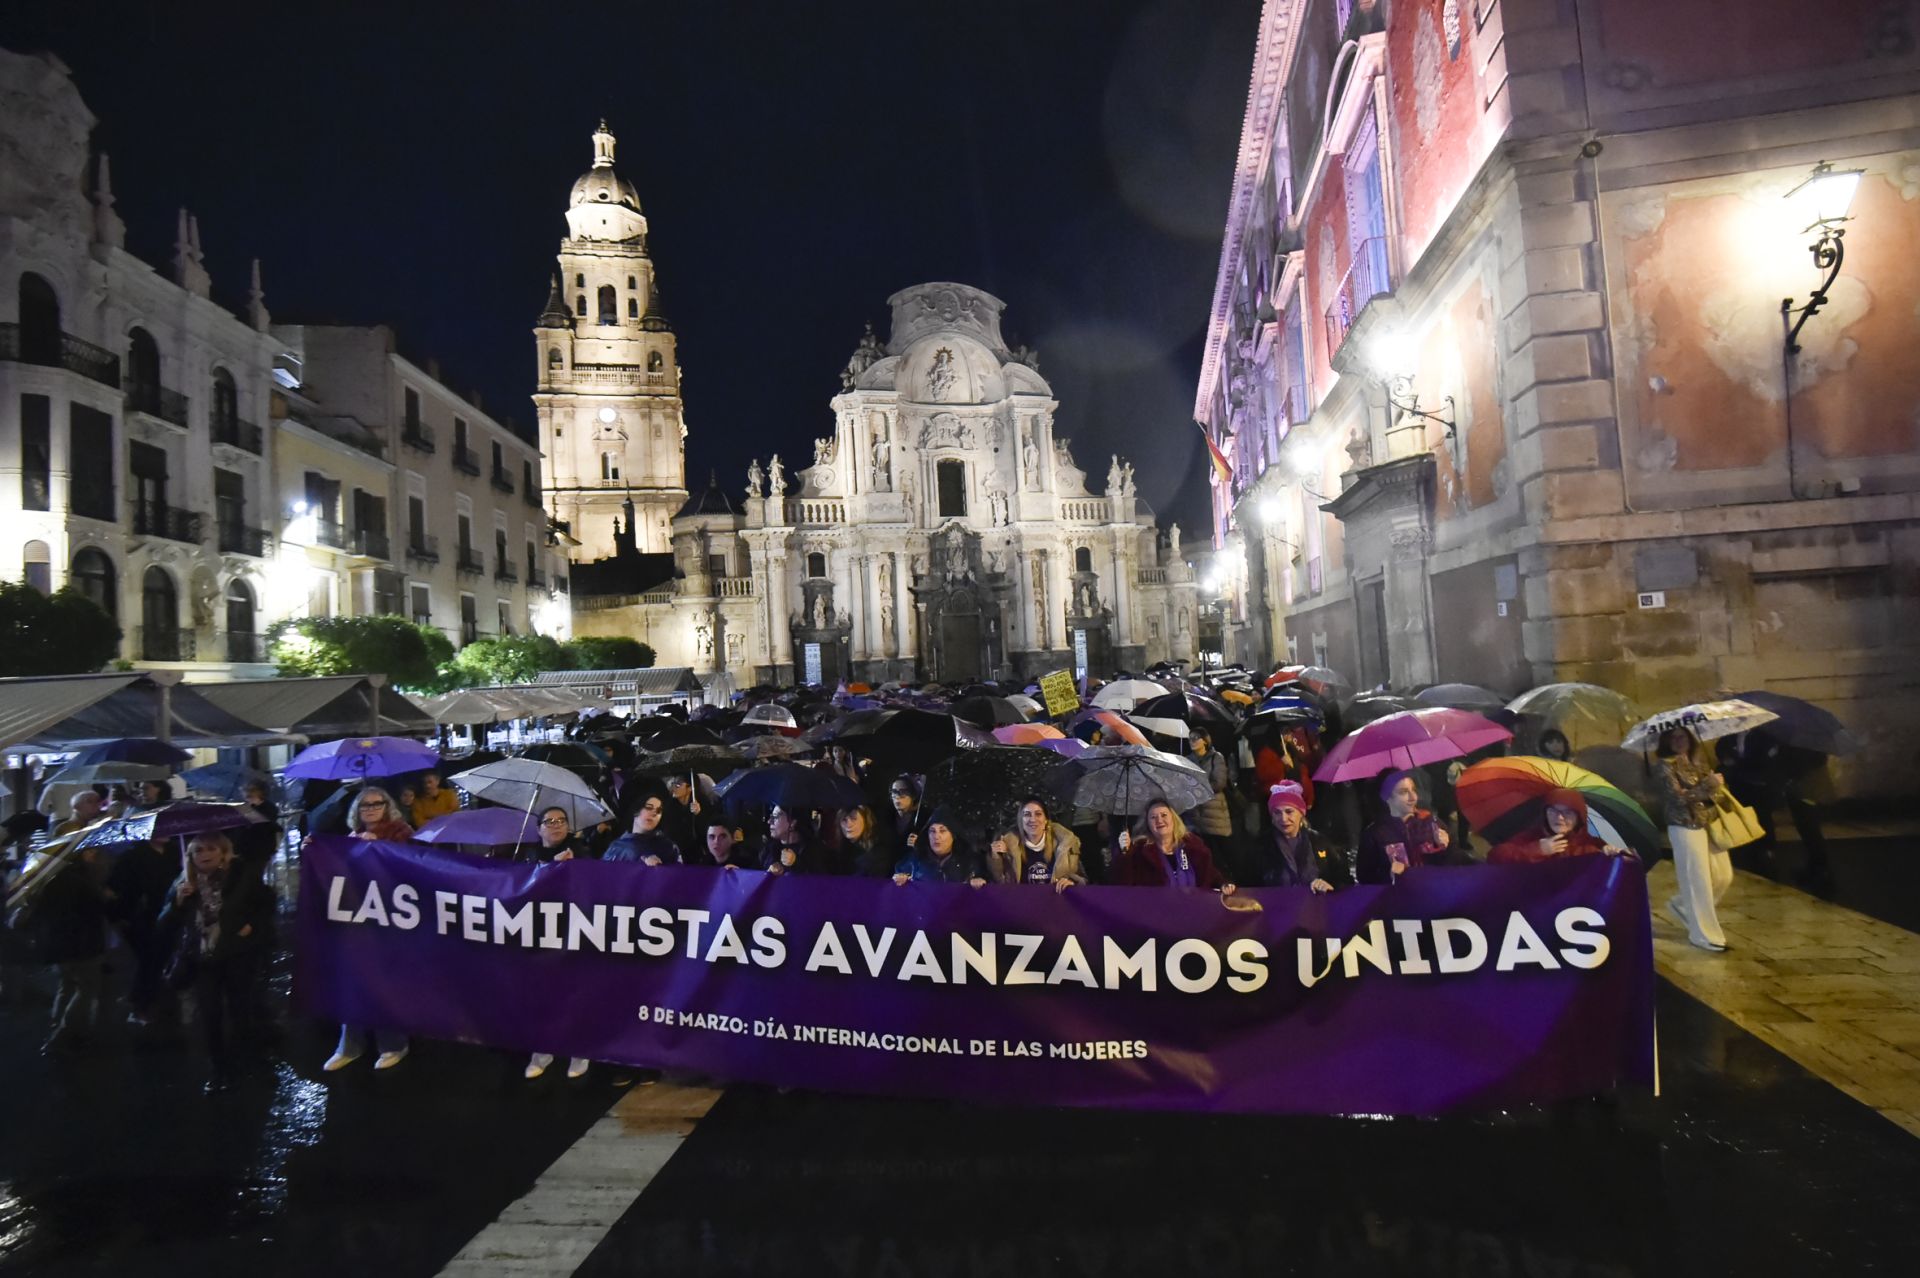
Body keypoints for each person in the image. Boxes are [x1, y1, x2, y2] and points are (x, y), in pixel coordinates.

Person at [160, 833, 274, 1093]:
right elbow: (165, 924)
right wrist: (178, 902)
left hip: (237, 954)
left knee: (240, 1010)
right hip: (202, 959)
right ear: (190, 856)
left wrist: (251, 927)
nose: (204, 854)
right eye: (197, 850)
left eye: (210, 849)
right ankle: (218, 1066)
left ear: (224, 853)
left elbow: (266, 906)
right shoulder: (183, 882)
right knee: (210, 1014)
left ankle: (244, 1060)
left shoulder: (243, 875)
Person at [323, 788, 415, 1073]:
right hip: (357, 918)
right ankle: (350, 1046)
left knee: (385, 984)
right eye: (365, 805)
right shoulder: (351, 838)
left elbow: (414, 867)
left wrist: (381, 849)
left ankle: (393, 1044)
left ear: (388, 806)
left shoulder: (402, 832)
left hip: (390, 919)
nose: (371, 808)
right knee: (354, 981)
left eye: (377, 803)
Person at [17, 844, 110, 1052]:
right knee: (86, 988)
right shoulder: (79, 879)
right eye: (90, 852)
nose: (94, 855)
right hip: (81, 944)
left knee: (66, 986)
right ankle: (63, 1032)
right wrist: (103, 890)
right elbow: (96, 906)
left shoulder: (49, 879)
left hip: (57, 945)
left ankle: (64, 1026)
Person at [524, 807, 592, 1080]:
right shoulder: (528, 854)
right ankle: (542, 1051)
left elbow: (594, 885)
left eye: (561, 821)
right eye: (549, 821)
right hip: (538, 935)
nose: (555, 825)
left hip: (573, 934)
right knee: (541, 996)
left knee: (574, 994)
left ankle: (579, 1050)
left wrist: (573, 866)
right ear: (539, 828)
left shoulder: (580, 851)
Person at [1656, 726, 1733, 952]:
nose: (1679, 741)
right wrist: (1708, 786)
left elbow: (1716, 795)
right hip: (1683, 824)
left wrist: (1717, 784)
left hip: (1708, 823)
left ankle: (1681, 905)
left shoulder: (1699, 763)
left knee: (1723, 876)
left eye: (1683, 736)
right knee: (1696, 881)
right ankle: (1703, 934)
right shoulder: (1664, 766)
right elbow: (1678, 798)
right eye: (1674, 738)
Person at [106, 836, 181, 1025]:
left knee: (159, 957)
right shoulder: (132, 855)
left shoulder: (174, 850)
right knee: (148, 959)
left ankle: (148, 999)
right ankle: (141, 1003)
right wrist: (121, 913)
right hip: (141, 916)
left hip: (167, 911)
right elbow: (118, 886)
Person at [1356, 770, 1451, 885]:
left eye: (1413, 790)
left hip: (1431, 893)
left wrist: (1443, 847)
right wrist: (1389, 875)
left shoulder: (1430, 822)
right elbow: (1364, 877)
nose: (1413, 797)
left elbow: (1450, 865)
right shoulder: (1374, 835)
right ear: (1386, 797)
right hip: (1397, 899)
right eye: (1403, 792)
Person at [1114, 799, 1233, 891]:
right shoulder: (1139, 851)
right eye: (1153, 817)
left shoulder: (1193, 846)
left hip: (1194, 912)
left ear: (1174, 819)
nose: (1159, 820)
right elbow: (1123, 884)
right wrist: (1125, 853)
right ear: (1147, 824)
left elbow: (1211, 874)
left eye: (1164, 815)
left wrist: (1224, 884)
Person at [1486, 789, 1629, 864]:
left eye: (1567, 812)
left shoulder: (1590, 845)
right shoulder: (1532, 837)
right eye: (1553, 811)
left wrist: (1612, 856)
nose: (1559, 817)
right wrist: (1537, 850)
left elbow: (1623, 869)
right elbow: (1495, 856)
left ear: (1579, 817)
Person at [1250, 782, 1347, 891]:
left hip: (1316, 905)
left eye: (1289, 811)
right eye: (1277, 813)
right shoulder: (1260, 846)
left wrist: (1330, 885)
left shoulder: (1318, 841)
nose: (1283, 819)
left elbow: (1343, 878)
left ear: (1301, 813)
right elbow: (1248, 885)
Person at [988, 796, 1083, 892]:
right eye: (1027, 814)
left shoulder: (1065, 843)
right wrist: (996, 857)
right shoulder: (1007, 845)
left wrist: (1072, 882)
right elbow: (1000, 884)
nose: (1033, 819)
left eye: (1038, 814)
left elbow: (1082, 879)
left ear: (1046, 820)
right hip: (1022, 903)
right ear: (1021, 820)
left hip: (1056, 902)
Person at [893, 809, 989, 885]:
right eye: (932, 831)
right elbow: (899, 875)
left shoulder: (969, 862)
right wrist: (900, 878)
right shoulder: (915, 860)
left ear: (953, 835)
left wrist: (977, 881)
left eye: (942, 831)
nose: (936, 836)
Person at [1185, 729, 1234, 847]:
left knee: (1219, 849)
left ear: (1205, 741)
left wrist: (1197, 789)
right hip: (1195, 814)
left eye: (1196, 738)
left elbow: (1219, 783)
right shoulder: (1187, 760)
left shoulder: (1216, 757)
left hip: (1214, 812)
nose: (1192, 741)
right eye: (1190, 738)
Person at [603, 794, 681, 865]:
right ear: (635, 811)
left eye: (659, 811)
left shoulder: (668, 847)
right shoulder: (616, 847)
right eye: (649, 807)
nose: (654, 813)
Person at [763, 805, 832, 875]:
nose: (769, 821)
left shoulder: (814, 850)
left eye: (775, 816)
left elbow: (820, 879)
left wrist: (796, 863)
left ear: (792, 823)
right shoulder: (769, 849)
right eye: (771, 816)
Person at [838, 806, 895, 878]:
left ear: (865, 821)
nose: (848, 824)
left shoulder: (878, 853)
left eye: (854, 819)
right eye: (844, 820)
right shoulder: (840, 850)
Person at [688, 822, 753, 871]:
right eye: (711, 837)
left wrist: (742, 875)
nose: (716, 841)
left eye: (722, 837)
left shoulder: (748, 863)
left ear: (733, 839)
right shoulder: (703, 864)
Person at [888, 775, 923, 846]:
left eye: (903, 792)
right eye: (894, 792)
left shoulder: (923, 819)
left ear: (913, 795)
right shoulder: (887, 816)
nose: (898, 796)